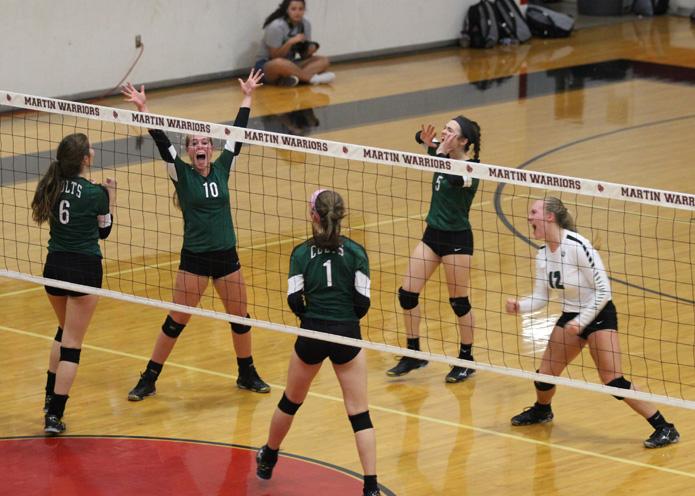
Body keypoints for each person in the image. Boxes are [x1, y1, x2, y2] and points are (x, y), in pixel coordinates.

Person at [120, 70, 270, 401]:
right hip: (196, 259)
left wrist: (248, 96)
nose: (200, 146)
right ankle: (149, 377)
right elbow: (161, 142)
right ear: (188, 151)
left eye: (205, 142)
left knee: (240, 318)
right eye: (194, 143)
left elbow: (238, 134)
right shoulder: (181, 174)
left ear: (211, 148)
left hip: (226, 256)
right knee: (177, 319)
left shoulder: (222, 166)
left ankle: (247, 372)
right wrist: (144, 109)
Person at [506, 197, 680, 448]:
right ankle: (542, 410)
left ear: (549, 217)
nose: (529, 218)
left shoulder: (578, 245)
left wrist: (582, 321)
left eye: (533, 212)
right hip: (572, 315)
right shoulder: (543, 254)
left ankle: (665, 428)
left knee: (613, 381)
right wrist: (520, 307)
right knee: (545, 374)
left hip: (598, 314)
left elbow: (603, 292)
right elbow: (541, 296)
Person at [256, 189, 380, 496]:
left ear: (313, 216)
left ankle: (269, 456)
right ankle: (371, 487)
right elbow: (363, 303)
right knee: (359, 413)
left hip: (312, 332)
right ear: (341, 216)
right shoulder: (356, 252)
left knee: (290, 401)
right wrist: (344, 319)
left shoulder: (300, 253)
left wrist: (312, 317)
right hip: (346, 334)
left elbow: (294, 299)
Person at [32, 133, 117, 435]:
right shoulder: (96, 193)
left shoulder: (51, 185)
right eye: (89, 149)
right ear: (84, 159)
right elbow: (104, 234)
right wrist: (111, 197)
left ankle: (47, 400)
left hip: (54, 267)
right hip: (84, 269)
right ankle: (54, 416)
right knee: (72, 344)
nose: (93, 150)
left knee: (63, 330)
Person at [386, 116, 481, 383]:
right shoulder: (443, 150)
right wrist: (425, 139)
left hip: (457, 241)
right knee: (407, 294)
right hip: (432, 235)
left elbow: (452, 179)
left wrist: (438, 152)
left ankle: (466, 359)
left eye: (451, 131)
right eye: (445, 128)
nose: (445, 133)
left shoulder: (471, 169)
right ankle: (414, 353)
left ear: (463, 141)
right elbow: (422, 139)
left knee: (458, 302)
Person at [254, 0, 335, 87]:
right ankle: (313, 79)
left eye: (301, 9)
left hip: (290, 63)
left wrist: (309, 50)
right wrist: (290, 42)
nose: (298, 12)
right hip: (267, 65)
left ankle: (290, 79)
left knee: (323, 60)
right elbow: (275, 56)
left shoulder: (305, 24)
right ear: (287, 10)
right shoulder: (276, 26)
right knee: (280, 63)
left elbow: (303, 56)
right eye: (293, 9)